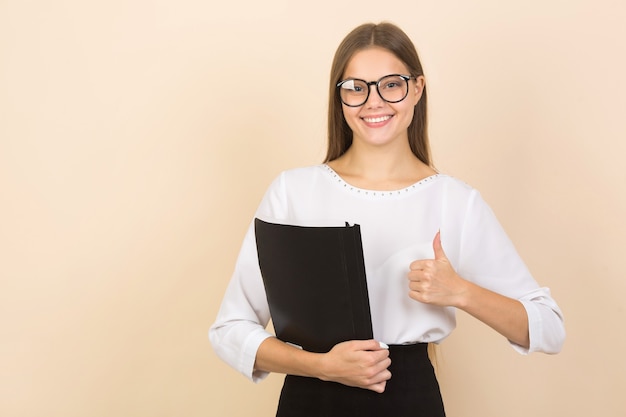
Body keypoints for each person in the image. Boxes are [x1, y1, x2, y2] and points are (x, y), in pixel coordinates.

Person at [209, 22, 565, 416]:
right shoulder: (293, 192)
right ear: (339, 97)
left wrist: (460, 291)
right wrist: (321, 366)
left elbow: (548, 327)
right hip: (310, 398)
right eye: (356, 87)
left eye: (391, 84)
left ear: (417, 88)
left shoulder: (454, 202)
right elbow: (230, 330)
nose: (373, 102)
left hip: (410, 401)